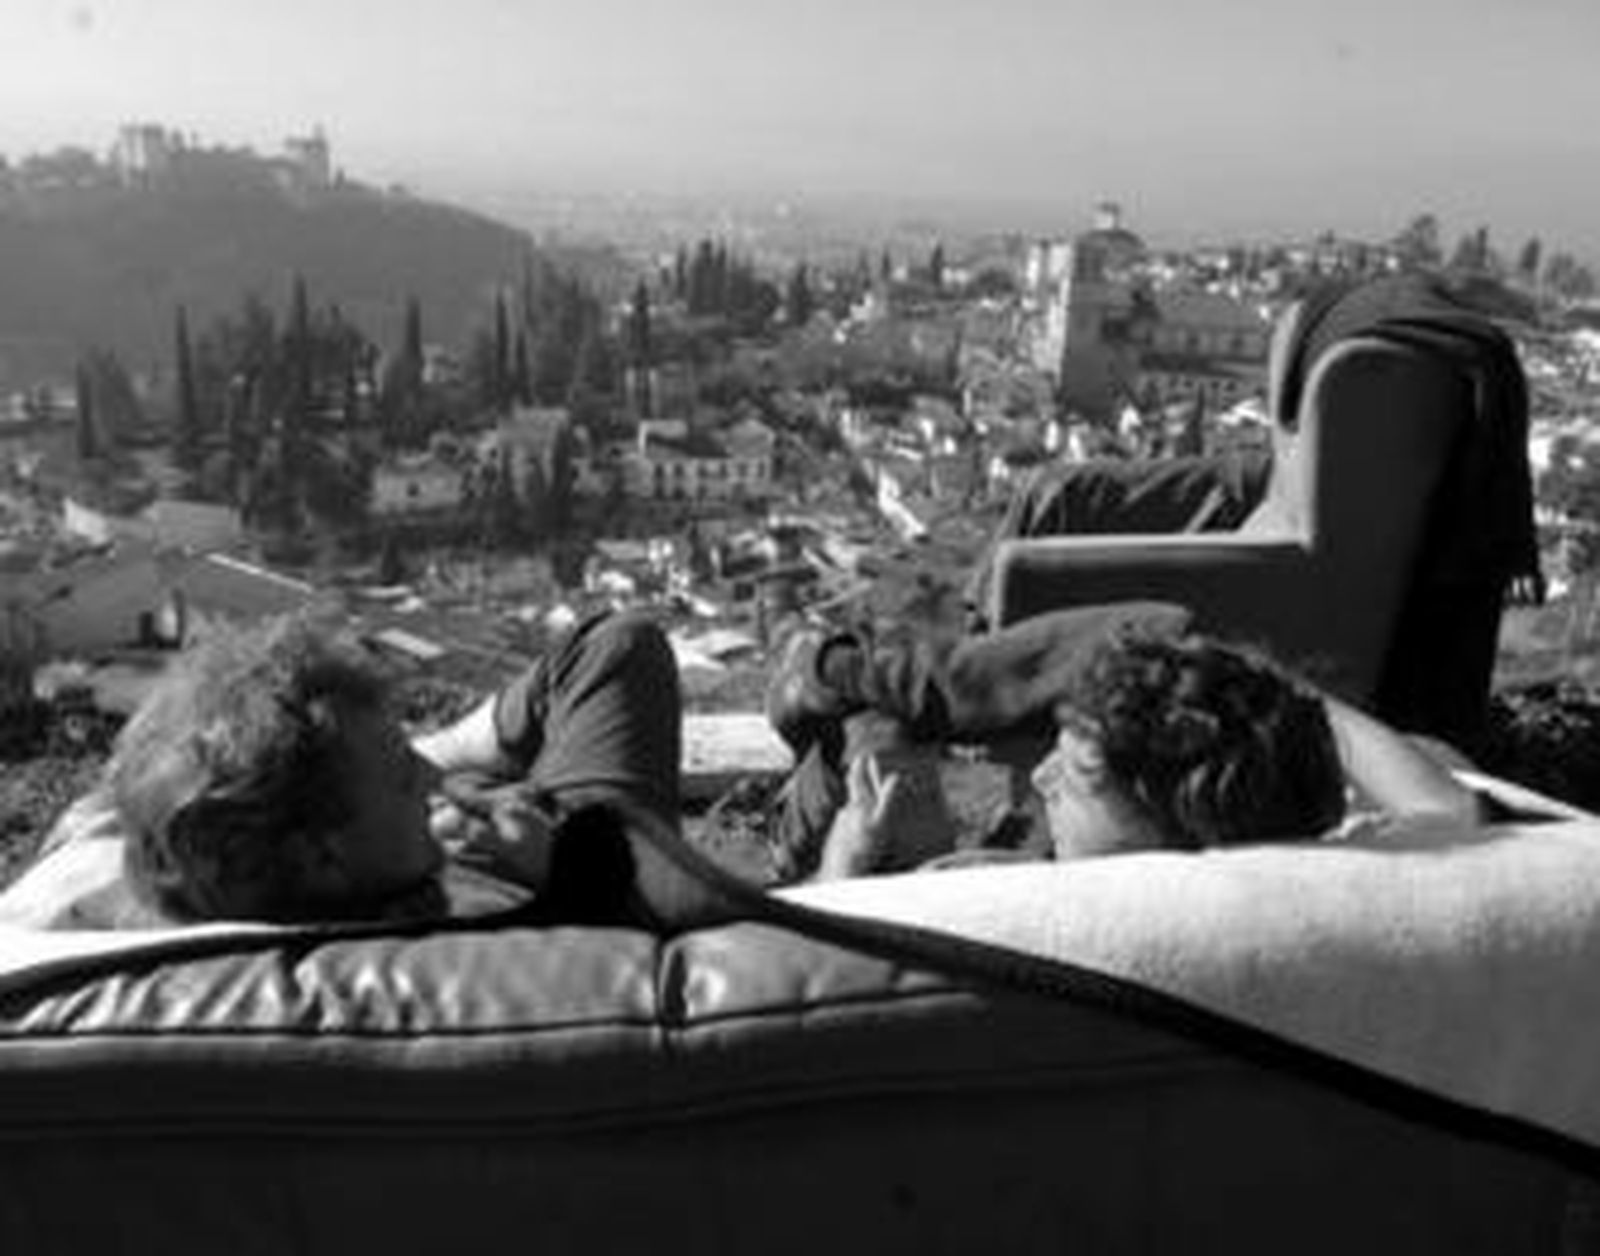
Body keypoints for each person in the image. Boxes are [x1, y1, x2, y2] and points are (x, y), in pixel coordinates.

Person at [31, 608, 734, 930]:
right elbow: (681, 954)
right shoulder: (491, 968)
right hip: (558, 868)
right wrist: (566, 874)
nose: (432, 792)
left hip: (447, 852)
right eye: (405, 779)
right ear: (323, 853)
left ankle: (457, 745)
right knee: (620, 645)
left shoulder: (179, 884)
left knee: (604, 650)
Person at [764, 602, 1482, 882]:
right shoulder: (1347, 872)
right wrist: (1239, 696)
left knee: (866, 742)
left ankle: (839, 674)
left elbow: (814, 969)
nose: (1043, 775)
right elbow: (1448, 807)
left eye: (1075, 775)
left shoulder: (978, 892)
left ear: (1176, 826)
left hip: (855, 855)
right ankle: (855, 677)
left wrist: (849, 855)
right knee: (1160, 633)